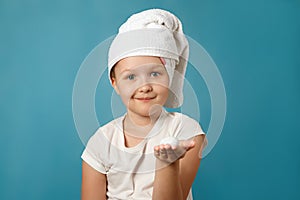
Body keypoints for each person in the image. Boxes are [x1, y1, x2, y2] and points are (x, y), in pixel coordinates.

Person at [81, 8, 207, 200]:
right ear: (114, 82)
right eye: (131, 76)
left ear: (170, 77)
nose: (144, 86)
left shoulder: (186, 133)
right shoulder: (100, 142)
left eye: (155, 74)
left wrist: (167, 164)